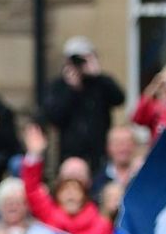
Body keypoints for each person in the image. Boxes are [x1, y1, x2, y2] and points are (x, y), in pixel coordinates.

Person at [41, 37, 125, 169]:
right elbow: (54, 117)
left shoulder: (100, 83)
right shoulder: (59, 86)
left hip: (99, 151)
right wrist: (72, 90)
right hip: (71, 152)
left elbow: (119, 99)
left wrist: (97, 75)